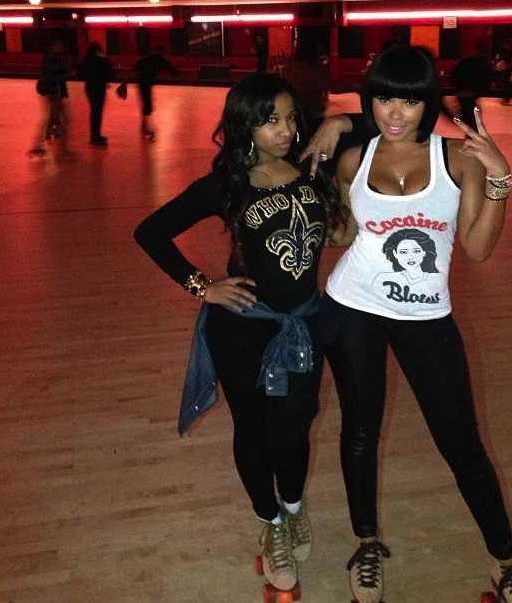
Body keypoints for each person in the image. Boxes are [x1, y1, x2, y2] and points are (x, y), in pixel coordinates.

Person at [301, 45, 512, 603]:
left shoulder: (457, 160)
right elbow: (342, 235)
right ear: (369, 100)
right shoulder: (353, 160)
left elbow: (478, 247)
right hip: (352, 307)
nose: (394, 113)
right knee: (360, 431)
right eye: (383, 98)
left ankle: (506, 561)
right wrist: (311, 198)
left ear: (427, 103)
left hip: (426, 316)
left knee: (462, 443)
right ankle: (366, 544)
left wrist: (501, 177)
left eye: (408, 101)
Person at [134, 72, 347, 594]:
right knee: (252, 428)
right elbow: (151, 232)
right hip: (243, 326)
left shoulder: (312, 168)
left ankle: (292, 507)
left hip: (303, 322)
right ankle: (271, 524)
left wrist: (340, 123)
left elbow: (388, 126)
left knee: (294, 427)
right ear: (244, 125)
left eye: (291, 117)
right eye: (270, 120)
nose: (285, 129)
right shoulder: (226, 185)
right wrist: (202, 286)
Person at [28, 39, 71, 157]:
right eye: (59, 45)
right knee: (59, 119)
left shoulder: (51, 58)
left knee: (57, 119)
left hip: (53, 93)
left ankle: (56, 143)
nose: (61, 47)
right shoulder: (53, 59)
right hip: (54, 94)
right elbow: (56, 78)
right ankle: (55, 145)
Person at [128, 45, 178, 139]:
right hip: (145, 83)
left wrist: (124, 82)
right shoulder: (160, 59)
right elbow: (172, 70)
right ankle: (144, 127)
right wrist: (177, 73)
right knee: (148, 105)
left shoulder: (148, 58)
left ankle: (144, 126)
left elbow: (135, 67)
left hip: (142, 82)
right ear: (162, 53)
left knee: (147, 104)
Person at [76, 42, 116, 147]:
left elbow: (79, 74)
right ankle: (96, 136)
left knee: (94, 110)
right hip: (100, 87)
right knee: (98, 111)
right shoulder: (102, 61)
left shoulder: (85, 60)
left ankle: (94, 135)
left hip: (90, 87)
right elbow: (111, 75)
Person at [448, 42, 494, 129]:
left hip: (464, 92)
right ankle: (471, 130)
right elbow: (489, 78)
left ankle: (470, 129)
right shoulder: (483, 64)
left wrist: (458, 89)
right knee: (471, 115)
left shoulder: (466, 62)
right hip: (469, 92)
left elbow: (454, 74)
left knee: (469, 114)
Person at [493, 37, 512, 105]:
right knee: (504, 84)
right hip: (504, 67)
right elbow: (499, 57)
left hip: (508, 68)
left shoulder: (511, 50)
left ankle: (506, 99)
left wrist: (507, 66)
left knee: (506, 84)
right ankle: (506, 99)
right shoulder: (503, 50)